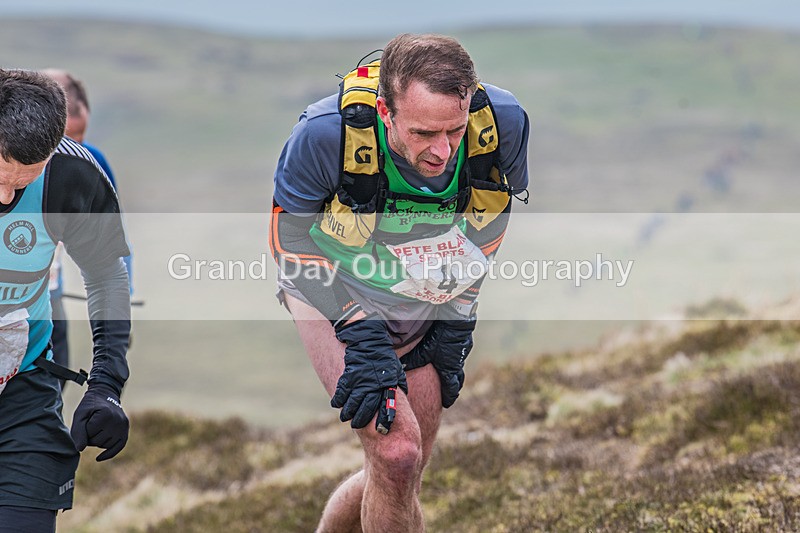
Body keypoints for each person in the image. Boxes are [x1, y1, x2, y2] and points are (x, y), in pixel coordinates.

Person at [270, 34, 529, 531]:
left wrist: (460, 312)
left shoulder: (502, 124)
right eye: (424, 133)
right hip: (331, 289)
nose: (442, 152)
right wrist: (357, 330)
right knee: (396, 453)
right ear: (387, 113)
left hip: (424, 291)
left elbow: (490, 222)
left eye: (454, 131)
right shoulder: (326, 134)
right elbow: (288, 243)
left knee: (402, 469)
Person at [0, 69, 131, 531]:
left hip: (22, 395)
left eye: (22, 182)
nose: (5, 194)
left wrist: (106, 385)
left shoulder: (71, 175)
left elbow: (107, 274)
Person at [41, 69, 133, 380]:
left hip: (50, 298)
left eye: (81, 137)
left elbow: (113, 246)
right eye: (65, 139)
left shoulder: (90, 163)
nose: (74, 149)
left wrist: (121, 310)